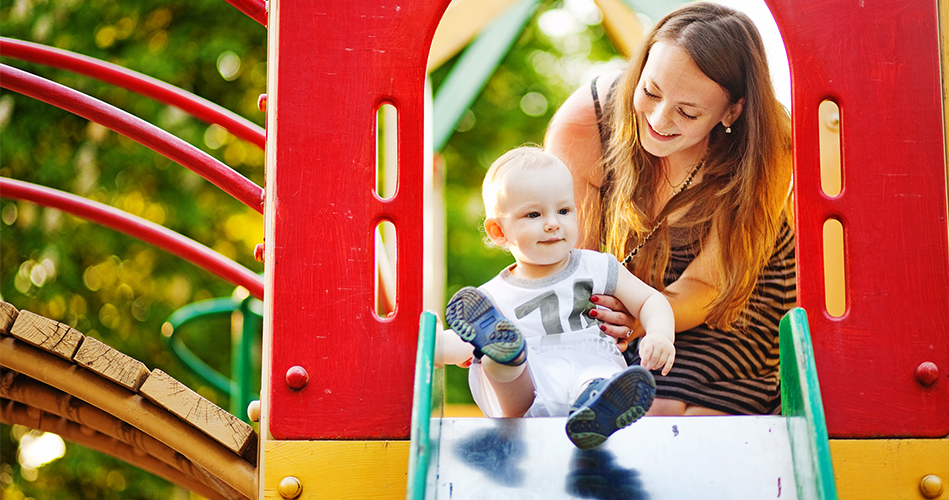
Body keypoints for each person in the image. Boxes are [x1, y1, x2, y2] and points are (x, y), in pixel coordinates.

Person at [543, 2, 795, 416]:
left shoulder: (767, 145)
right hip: (634, 292)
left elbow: (709, 286)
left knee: (669, 409)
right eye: (650, 91)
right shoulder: (585, 124)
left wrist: (644, 318)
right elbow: (575, 262)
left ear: (732, 111)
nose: (659, 119)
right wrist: (612, 315)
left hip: (737, 296)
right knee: (616, 396)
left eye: (688, 112)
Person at [438, 146, 675, 449]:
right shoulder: (493, 296)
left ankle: (596, 410)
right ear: (499, 231)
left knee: (598, 377)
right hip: (525, 395)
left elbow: (649, 301)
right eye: (534, 214)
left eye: (563, 210)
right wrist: (428, 349)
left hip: (588, 363)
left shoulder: (598, 267)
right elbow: (462, 345)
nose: (553, 222)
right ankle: (503, 354)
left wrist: (660, 334)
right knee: (495, 358)